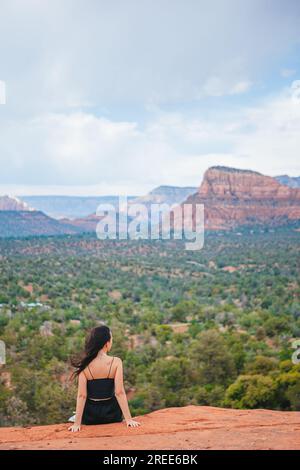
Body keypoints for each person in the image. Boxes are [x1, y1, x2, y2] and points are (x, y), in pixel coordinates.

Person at [68, 325, 141, 432]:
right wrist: (129, 420)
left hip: (90, 417)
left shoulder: (85, 365)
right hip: (112, 414)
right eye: (111, 339)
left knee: (80, 412)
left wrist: (77, 423)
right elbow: (119, 392)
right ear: (106, 343)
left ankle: (75, 417)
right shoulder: (116, 362)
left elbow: (82, 395)